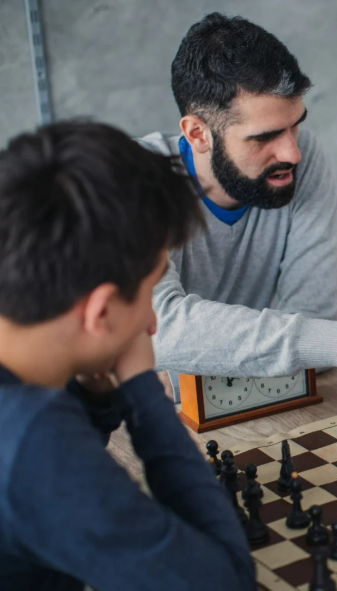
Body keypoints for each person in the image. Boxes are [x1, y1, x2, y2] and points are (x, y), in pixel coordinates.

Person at [138, 13, 337, 425]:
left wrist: (182, 368)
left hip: (240, 417)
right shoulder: (130, 180)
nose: (292, 154)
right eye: (263, 137)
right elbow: (160, 327)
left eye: (294, 127)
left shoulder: (304, 158)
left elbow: (316, 328)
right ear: (197, 134)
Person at [0, 122, 254, 590]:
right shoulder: (31, 443)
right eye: (151, 290)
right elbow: (225, 581)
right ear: (100, 312)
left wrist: (96, 398)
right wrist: (140, 385)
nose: (152, 323)